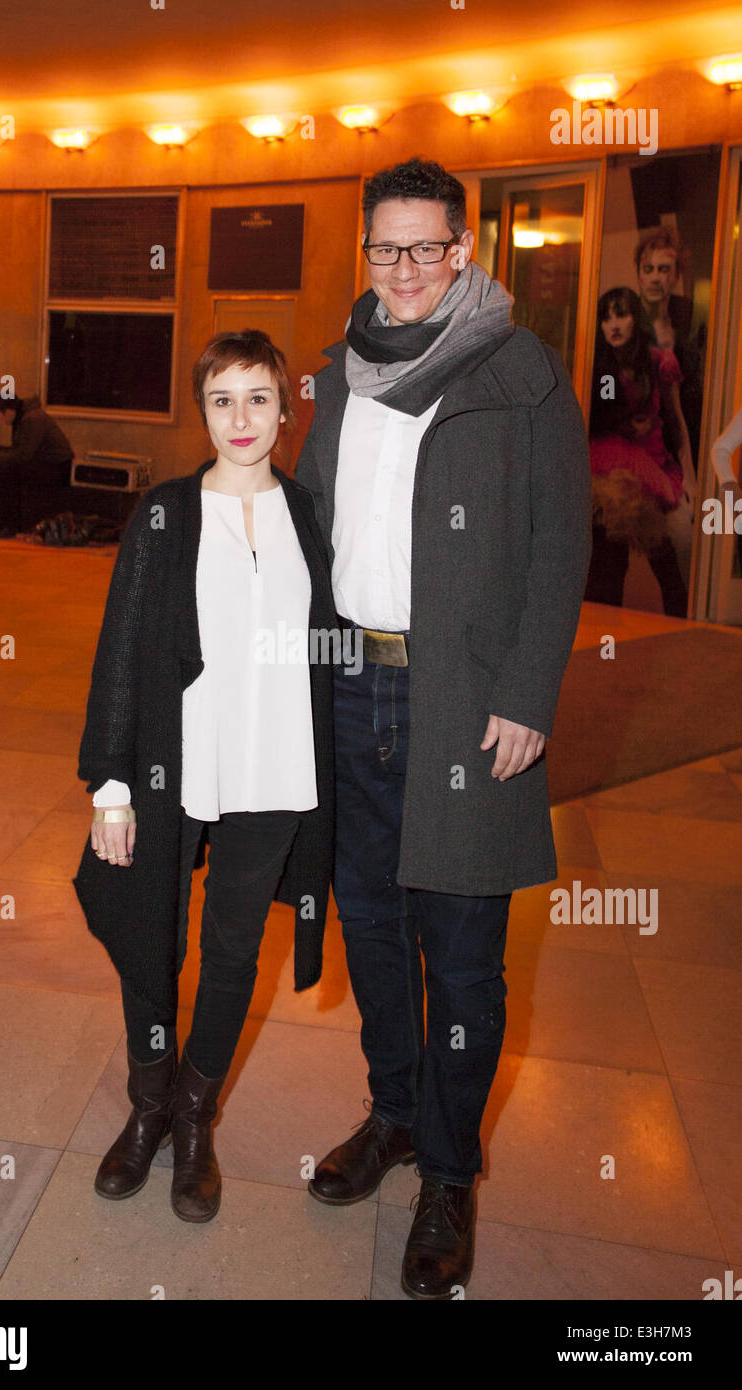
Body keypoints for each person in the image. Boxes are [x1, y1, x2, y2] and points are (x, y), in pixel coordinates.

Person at [294, 157, 592, 1299]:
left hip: (466, 703)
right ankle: (393, 1115)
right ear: (363, 254)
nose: (405, 270)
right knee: (369, 920)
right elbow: (314, 530)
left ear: (462, 250)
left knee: (460, 950)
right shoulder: (344, 371)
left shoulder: (518, 373)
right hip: (353, 690)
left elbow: (557, 546)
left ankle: (451, 1172)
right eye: (385, 249)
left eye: (426, 248)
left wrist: (527, 692)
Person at [73, 330, 336, 1223]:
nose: (240, 419)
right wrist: (108, 784)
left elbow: (330, 644)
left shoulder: (309, 515)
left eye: (257, 397)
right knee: (154, 937)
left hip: (276, 761)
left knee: (231, 949)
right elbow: (119, 647)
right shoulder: (163, 513)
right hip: (175, 759)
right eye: (221, 400)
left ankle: (193, 1119)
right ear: (203, 411)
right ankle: (146, 1111)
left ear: (284, 407)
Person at [584, 285, 695, 616]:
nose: (614, 324)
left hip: (652, 462)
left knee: (666, 557)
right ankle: (602, 630)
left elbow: (675, 421)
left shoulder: (658, 361)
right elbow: (595, 418)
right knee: (609, 554)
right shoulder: (597, 363)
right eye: (606, 318)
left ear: (637, 318)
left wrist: (690, 476)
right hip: (608, 462)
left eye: (622, 314)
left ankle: (681, 626)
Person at [635, 227, 704, 471]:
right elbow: (605, 383)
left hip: (684, 442)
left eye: (663, 269)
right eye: (648, 269)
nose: (655, 277)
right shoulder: (623, 321)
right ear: (639, 275)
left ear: (675, 277)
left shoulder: (689, 320)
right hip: (635, 447)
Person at [0, 392, 73, 537]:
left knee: (7, 473)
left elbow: (23, 455)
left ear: (10, 411)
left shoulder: (31, 420)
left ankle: (7, 525)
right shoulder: (24, 417)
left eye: (0, 414)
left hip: (55, 467)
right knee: (3, 463)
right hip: (46, 462)